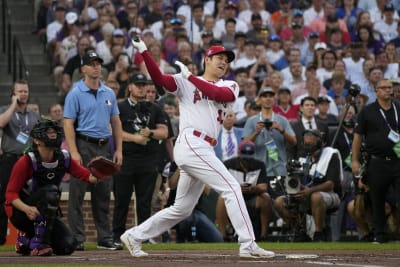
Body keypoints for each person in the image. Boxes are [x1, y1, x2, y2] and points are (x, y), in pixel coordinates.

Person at [121, 39, 275, 258]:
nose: (224, 62)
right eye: (219, 58)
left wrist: (190, 77)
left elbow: (218, 95)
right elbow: (158, 79)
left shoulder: (228, 85)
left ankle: (134, 235)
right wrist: (145, 51)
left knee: (181, 209)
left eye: (226, 60)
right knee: (232, 187)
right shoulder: (186, 82)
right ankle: (248, 243)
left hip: (204, 148)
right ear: (207, 60)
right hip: (192, 143)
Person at [4, 120, 100, 256]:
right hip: (21, 212)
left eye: (54, 131)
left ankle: (25, 241)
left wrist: (100, 173)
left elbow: (87, 176)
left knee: (68, 246)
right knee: (50, 192)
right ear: (37, 140)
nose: (53, 134)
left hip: (46, 211)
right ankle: (42, 244)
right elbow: (10, 194)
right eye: (48, 132)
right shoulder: (26, 160)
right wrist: (27, 209)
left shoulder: (64, 157)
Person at [63, 50, 123, 251]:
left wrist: (119, 150)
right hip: (83, 144)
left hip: (104, 146)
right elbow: (68, 123)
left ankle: (105, 238)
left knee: (103, 194)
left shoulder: (109, 93)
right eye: (92, 64)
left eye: (98, 63)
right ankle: (77, 238)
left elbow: (116, 122)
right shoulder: (75, 93)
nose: (96, 67)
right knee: (77, 195)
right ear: (83, 69)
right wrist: (73, 151)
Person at [112, 72, 168, 246]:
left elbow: (164, 132)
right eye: (138, 84)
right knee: (122, 200)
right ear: (129, 87)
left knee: (144, 203)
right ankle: (117, 236)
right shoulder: (120, 108)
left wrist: (150, 133)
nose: (141, 88)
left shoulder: (155, 108)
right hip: (126, 158)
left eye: (143, 85)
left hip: (148, 160)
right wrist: (135, 138)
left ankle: (141, 237)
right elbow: (114, 132)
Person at [351, 78, 400, 243]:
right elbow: (357, 137)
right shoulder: (367, 111)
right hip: (377, 161)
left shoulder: (398, 107)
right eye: (384, 88)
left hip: (398, 160)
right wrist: (355, 161)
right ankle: (380, 234)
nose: (388, 90)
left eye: (390, 87)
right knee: (377, 199)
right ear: (376, 91)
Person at [274, 129, 342, 242]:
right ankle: (298, 230)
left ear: (320, 143)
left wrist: (309, 191)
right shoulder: (303, 158)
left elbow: (330, 184)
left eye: (311, 144)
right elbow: (299, 181)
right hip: (305, 194)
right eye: (306, 144)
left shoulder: (331, 155)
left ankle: (319, 234)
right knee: (279, 202)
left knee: (316, 196)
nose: (308, 147)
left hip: (330, 195)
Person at [0, 80, 41, 246]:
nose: (23, 94)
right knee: (4, 197)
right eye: (20, 91)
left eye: (25, 91)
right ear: (13, 93)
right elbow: (1, 123)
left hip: (28, 160)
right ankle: (1, 237)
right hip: (10, 159)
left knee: (30, 197)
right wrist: (12, 105)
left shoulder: (33, 115)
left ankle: (31, 235)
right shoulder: (5, 110)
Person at [216, 140, 273, 241]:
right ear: (239, 154)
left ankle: (264, 235)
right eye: (244, 158)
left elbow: (264, 187)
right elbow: (222, 185)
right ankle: (222, 236)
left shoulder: (260, 165)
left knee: (266, 197)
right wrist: (238, 188)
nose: (247, 161)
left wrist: (254, 188)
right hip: (234, 197)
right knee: (221, 199)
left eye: (249, 158)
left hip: (253, 197)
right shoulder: (228, 164)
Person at [242, 87, 297, 178]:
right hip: (258, 168)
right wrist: (256, 132)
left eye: (271, 96)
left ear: (274, 100)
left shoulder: (282, 120)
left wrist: (281, 130)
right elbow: (244, 146)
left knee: (280, 192)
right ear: (259, 100)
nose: (268, 99)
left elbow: (294, 142)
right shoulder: (252, 121)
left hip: (279, 168)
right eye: (264, 96)